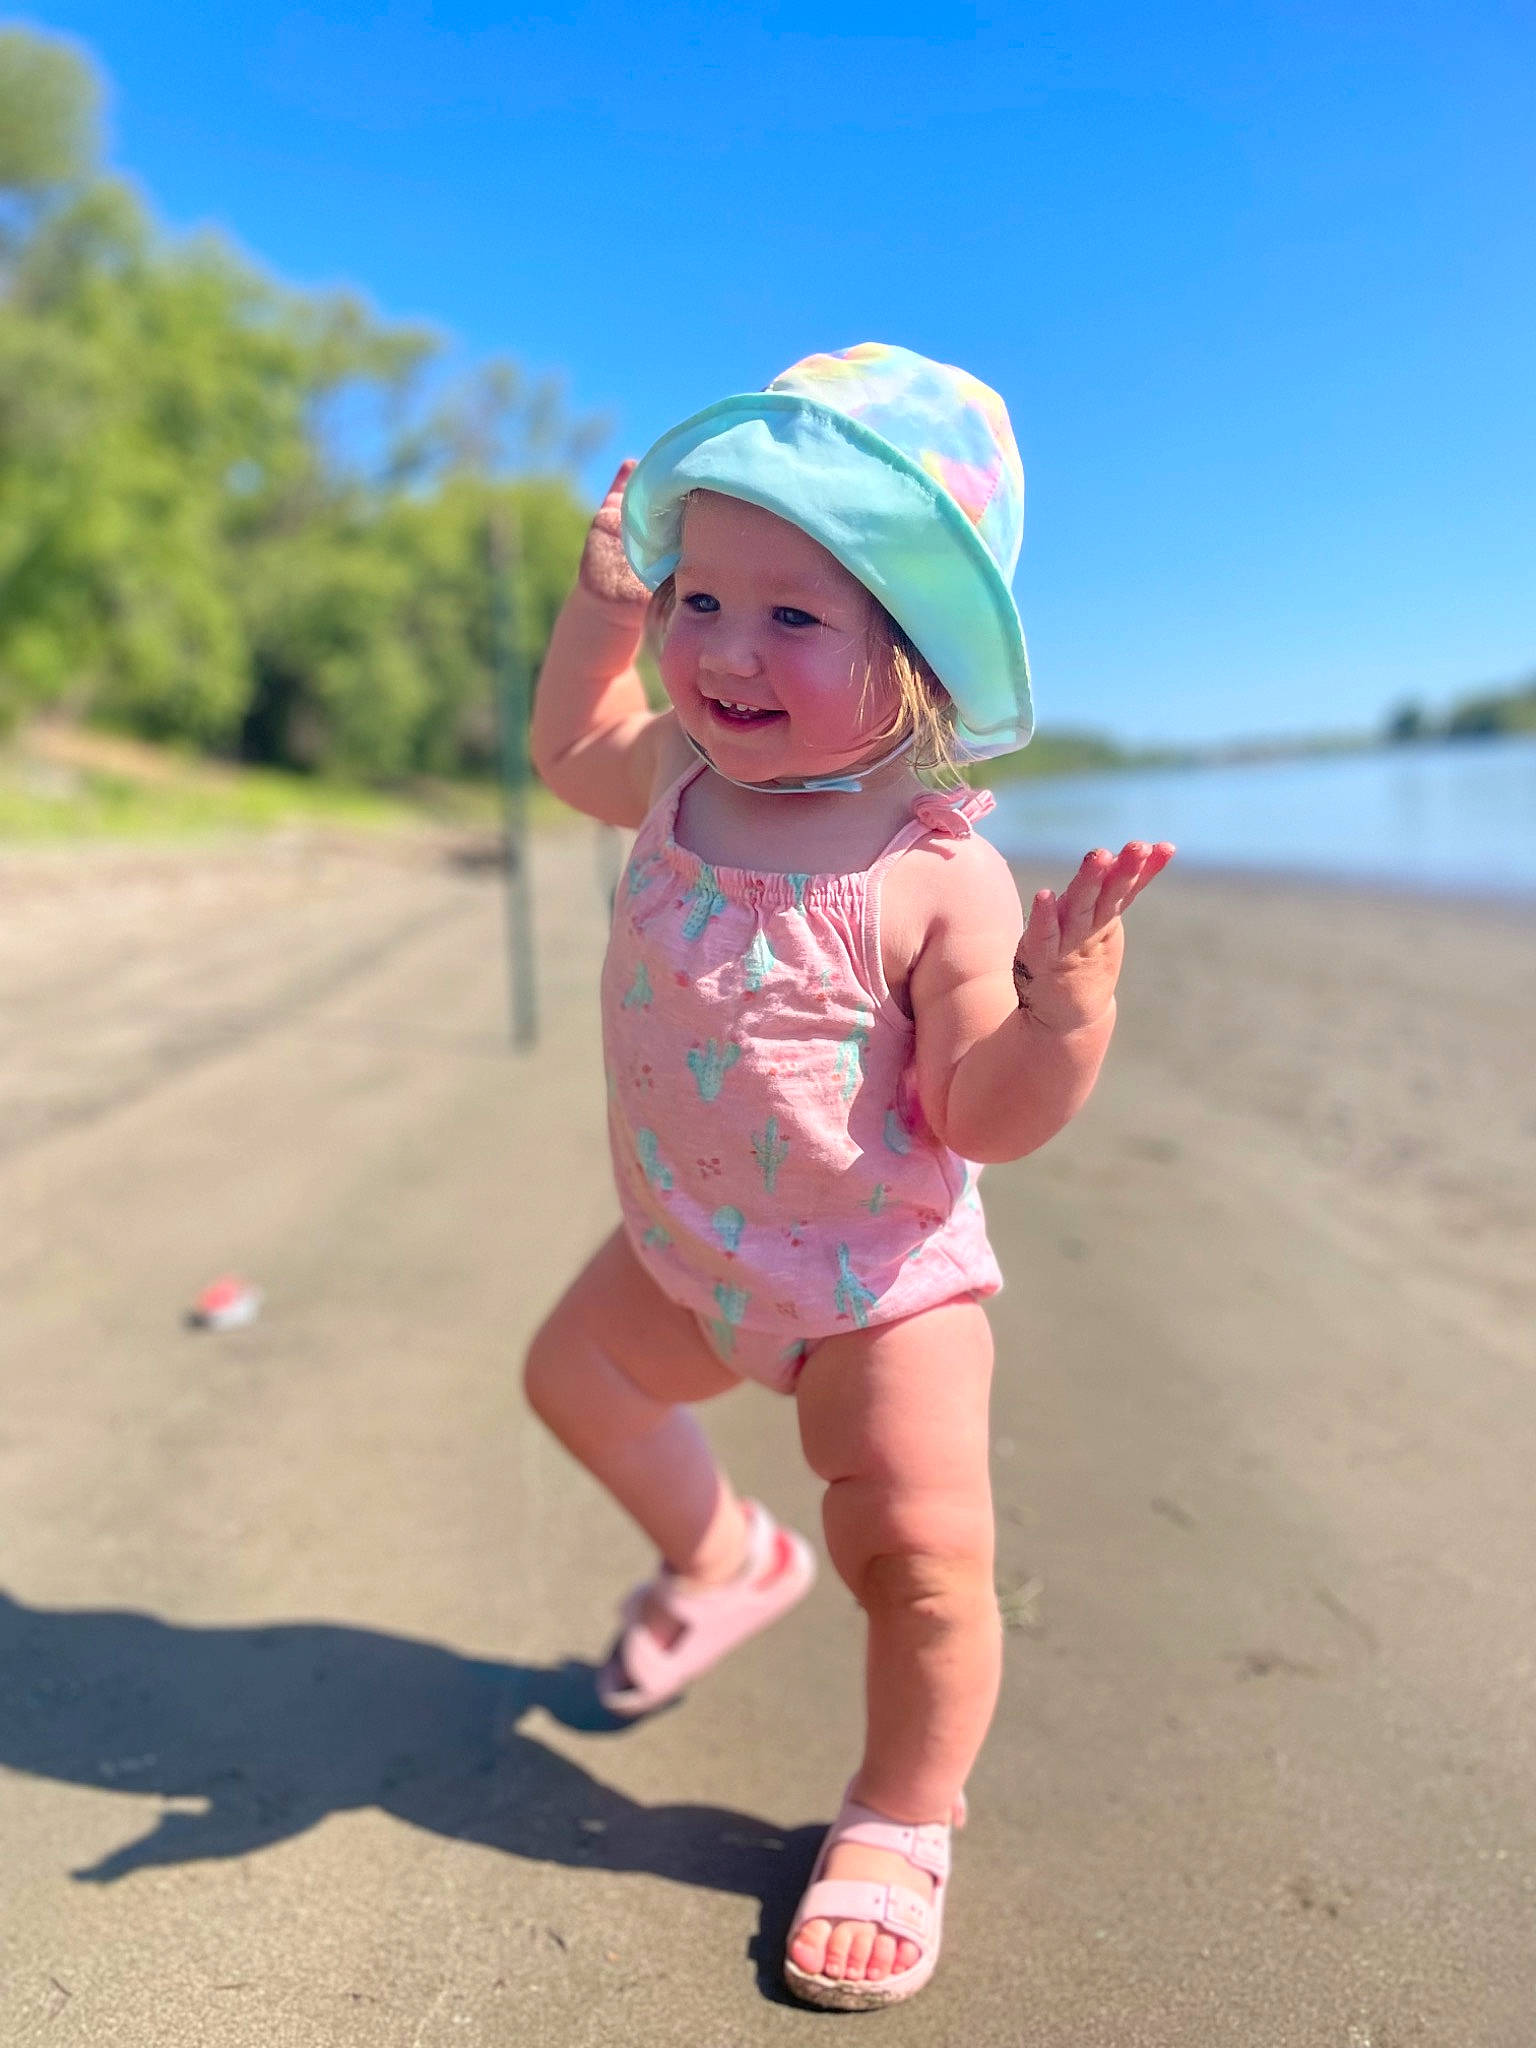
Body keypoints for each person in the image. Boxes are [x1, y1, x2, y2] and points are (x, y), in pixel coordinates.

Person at [524, 343, 1173, 2010]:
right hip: (688, 1251)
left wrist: (1062, 1011)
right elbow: (565, 741)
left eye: (797, 618)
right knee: (571, 1381)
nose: (726, 651)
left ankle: (900, 1811)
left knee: (928, 1565)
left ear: (913, 655)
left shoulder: (931, 871)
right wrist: (601, 611)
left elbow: (980, 1115)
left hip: (882, 1297)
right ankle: (725, 1559)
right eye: (698, 599)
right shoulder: (672, 775)